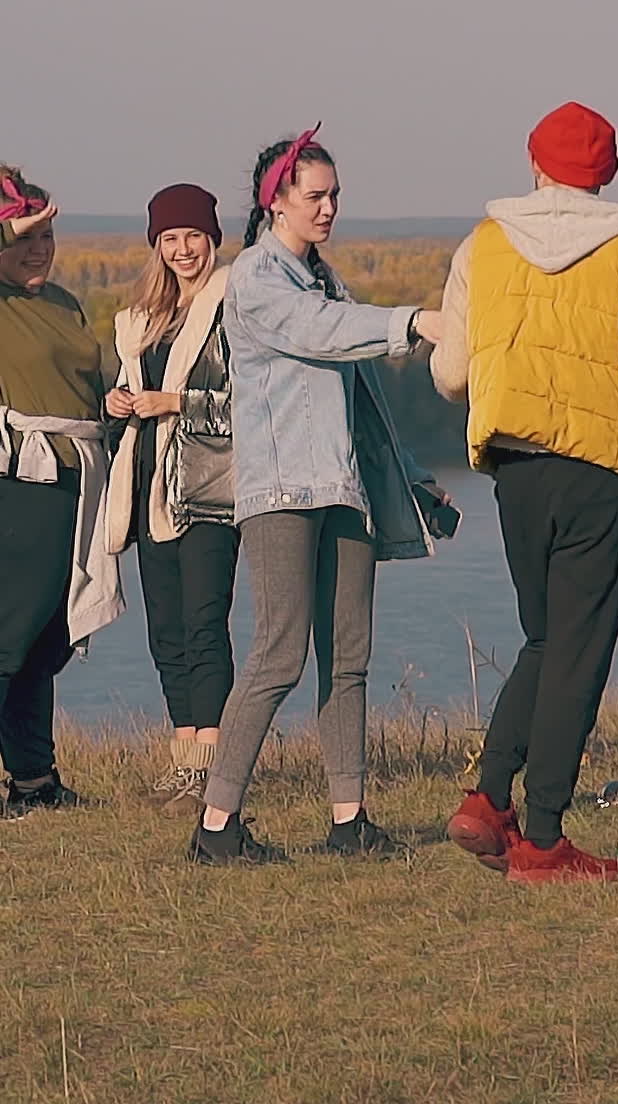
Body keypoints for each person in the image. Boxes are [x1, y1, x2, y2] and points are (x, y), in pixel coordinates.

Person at [431, 101, 618, 885]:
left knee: (545, 639)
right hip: (596, 471)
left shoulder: (480, 247)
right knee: (578, 653)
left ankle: (490, 800)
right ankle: (545, 839)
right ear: (607, 175)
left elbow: (452, 375)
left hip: (515, 474)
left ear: (534, 164)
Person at [188, 124, 447, 865]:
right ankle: (215, 829)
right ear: (277, 205)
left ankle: (348, 820)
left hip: (344, 488)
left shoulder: (325, 279)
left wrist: (413, 482)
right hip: (280, 493)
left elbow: (363, 404)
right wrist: (414, 321)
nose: (329, 208)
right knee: (277, 656)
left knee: (349, 658)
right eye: (315, 196)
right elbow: (323, 332)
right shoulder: (259, 281)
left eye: (335, 195)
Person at [105, 185, 238, 814]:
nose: (184, 251)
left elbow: (248, 403)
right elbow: (136, 387)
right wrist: (119, 400)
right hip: (150, 490)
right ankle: (183, 759)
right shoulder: (145, 320)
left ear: (213, 239)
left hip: (211, 489)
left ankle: (210, 768)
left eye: (194, 237)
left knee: (204, 626)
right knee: (166, 634)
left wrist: (174, 402)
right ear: (156, 247)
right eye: (170, 240)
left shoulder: (232, 308)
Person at [0, 164, 124, 818]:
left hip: (77, 479)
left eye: (48, 234)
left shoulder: (62, 302)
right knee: (10, 635)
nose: (39, 248)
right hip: (20, 481)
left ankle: (34, 782)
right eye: (23, 237)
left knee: (46, 636)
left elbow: (83, 388)